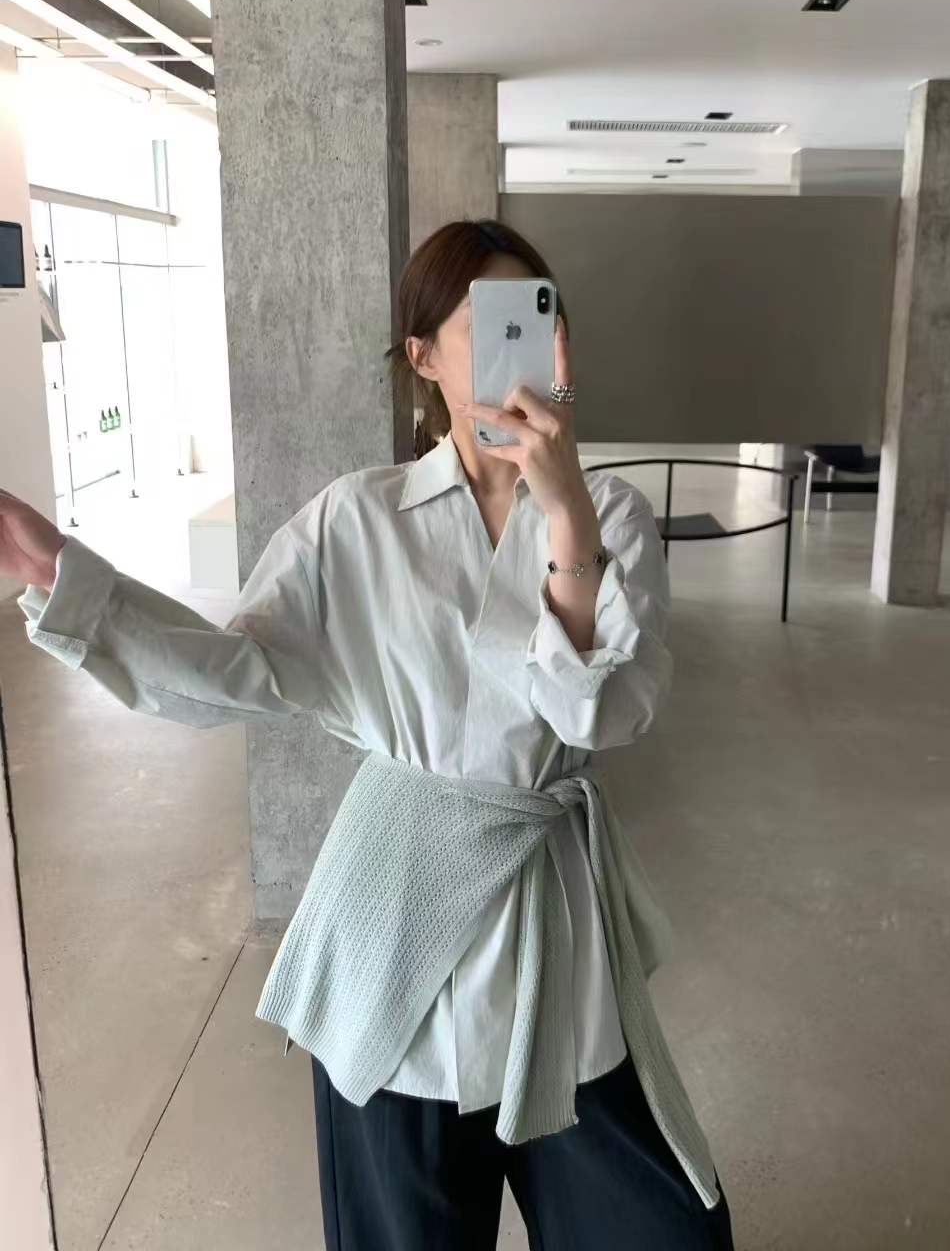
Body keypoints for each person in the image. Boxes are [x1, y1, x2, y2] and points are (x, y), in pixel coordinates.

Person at [1, 219, 735, 1250]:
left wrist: (564, 515)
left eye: (539, 314)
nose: (525, 342)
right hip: (395, 926)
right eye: (486, 320)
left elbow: (600, 715)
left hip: (552, 928)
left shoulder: (609, 513)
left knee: (659, 1229)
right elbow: (236, 676)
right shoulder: (358, 518)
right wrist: (66, 581)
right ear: (424, 358)